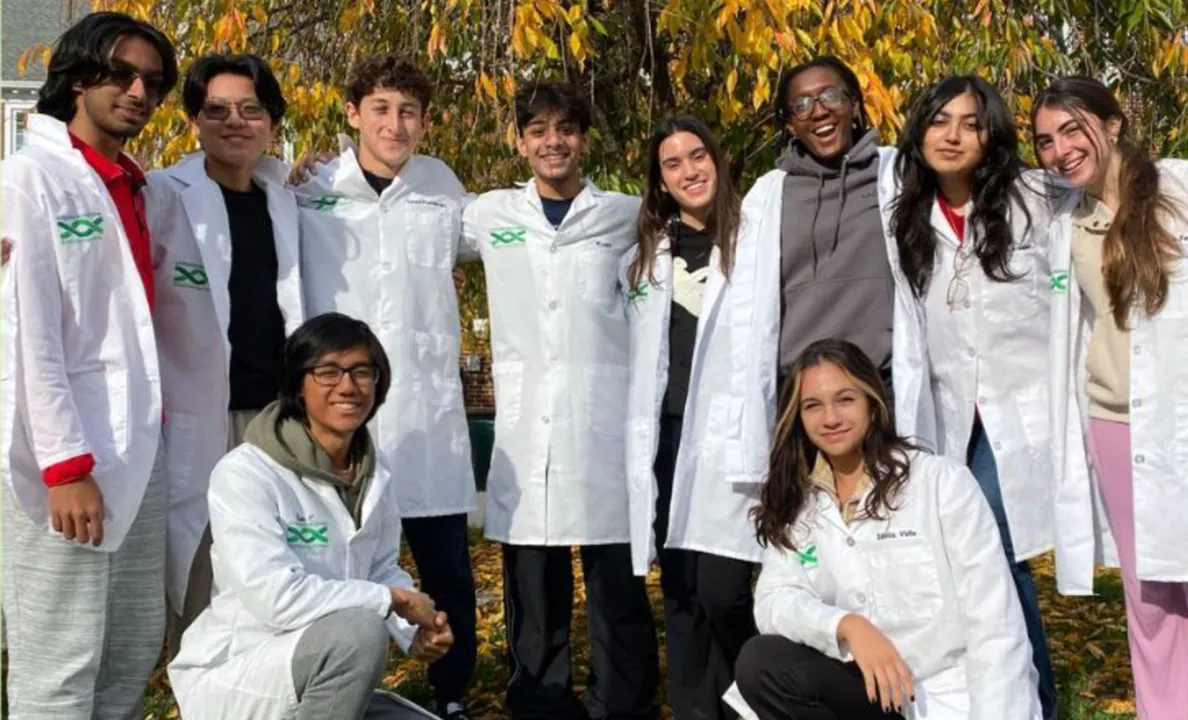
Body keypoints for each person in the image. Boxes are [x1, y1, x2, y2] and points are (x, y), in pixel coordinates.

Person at [459, 81, 660, 720]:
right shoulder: (489, 214)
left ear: (584, 140)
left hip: (601, 432)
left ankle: (622, 706)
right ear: (521, 142)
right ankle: (540, 706)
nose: (553, 142)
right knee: (533, 597)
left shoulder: (627, 215)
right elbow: (407, 214)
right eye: (539, 130)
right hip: (526, 438)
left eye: (566, 129)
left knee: (616, 590)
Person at [0, 11, 178, 718]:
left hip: (140, 450)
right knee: (60, 663)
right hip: (67, 461)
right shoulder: (29, 179)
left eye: (152, 83)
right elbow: (27, 336)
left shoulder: (133, 185)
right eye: (121, 74)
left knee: (130, 649)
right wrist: (65, 467)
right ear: (77, 78)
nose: (138, 92)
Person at [294, 55, 477, 720]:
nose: (394, 124)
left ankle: (452, 695)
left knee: (446, 570)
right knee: (335, 566)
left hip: (426, 420)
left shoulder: (442, 188)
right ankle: (332, 692)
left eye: (408, 112)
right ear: (353, 114)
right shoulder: (310, 188)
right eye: (380, 109)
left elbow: (513, 236)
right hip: (338, 418)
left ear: (424, 121)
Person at [733, 338, 1040, 720]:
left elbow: (994, 622)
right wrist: (846, 625)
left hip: (946, 696)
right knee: (762, 664)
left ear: (873, 402)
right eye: (813, 406)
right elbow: (774, 601)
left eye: (845, 399)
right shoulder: (798, 502)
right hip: (862, 692)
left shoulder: (940, 483)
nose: (830, 418)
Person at [168, 312, 454, 720]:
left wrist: (416, 632)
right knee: (359, 631)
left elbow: (379, 568)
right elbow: (277, 599)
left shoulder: (376, 471)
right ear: (298, 385)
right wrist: (394, 601)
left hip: (323, 672)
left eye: (361, 371)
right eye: (328, 372)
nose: (348, 386)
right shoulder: (246, 472)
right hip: (243, 671)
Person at [889, 75, 1058, 718]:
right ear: (919, 134)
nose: (953, 136)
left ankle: (1031, 702)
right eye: (939, 121)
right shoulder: (908, 216)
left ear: (992, 135)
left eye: (970, 123)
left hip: (1023, 410)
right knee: (970, 562)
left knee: (996, 557)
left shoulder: (1035, 199)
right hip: (950, 416)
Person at [720, 56, 935, 555]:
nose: (818, 111)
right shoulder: (769, 195)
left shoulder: (898, 175)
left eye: (831, 96)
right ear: (789, 123)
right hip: (800, 400)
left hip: (878, 391)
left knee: (892, 538)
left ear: (855, 105)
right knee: (807, 543)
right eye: (802, 104)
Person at [1033, 75, 1188, 719]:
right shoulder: (1064, 223)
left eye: (1073, 129)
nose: (1060, 150)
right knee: (1150, 594)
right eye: (1045, 141)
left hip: (1181, 418)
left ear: (1113, 123)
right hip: (1116, 425)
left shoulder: (1179, 189)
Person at [146, 51, 305, 656]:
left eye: (250, 110)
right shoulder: (164, 195)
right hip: (196, 416)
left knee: (268, 563)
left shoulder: (285, 197)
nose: (235, 122)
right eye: (216, 110)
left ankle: (258, 685)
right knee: (197, 568)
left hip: (272, 417)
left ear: (272, 122)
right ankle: (191, 683)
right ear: (194, 121)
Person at [621, 115, 756, 720]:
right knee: (680, 588)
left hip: (733, 437)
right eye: (672, 163)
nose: (688, 171)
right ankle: (695, 709)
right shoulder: (642, 257)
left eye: (697, 156)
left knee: (724, 590)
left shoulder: (757, 241)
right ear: (660, 180)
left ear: (717, 161)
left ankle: (754, 697)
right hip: (668, 439)